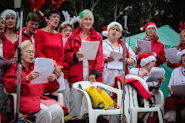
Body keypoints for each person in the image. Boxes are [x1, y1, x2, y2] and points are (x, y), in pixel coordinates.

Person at [3, 40, 66, 123]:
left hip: (38, 100)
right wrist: (26, 79)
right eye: (28, 52)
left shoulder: (37, 67)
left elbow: (49, 89)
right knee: (44, 111)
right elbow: (10, 87)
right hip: (23, 101)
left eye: (33, 52)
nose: (32, 54)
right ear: (20, 55)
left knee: (58, 110)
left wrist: (52, 81)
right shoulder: (14, 68)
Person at [64, 9, 104, 120]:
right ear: (81, 21)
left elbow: (100, 58)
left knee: (92, 109)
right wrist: (74, 56)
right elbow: (66, 55)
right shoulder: (72, 36)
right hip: (76, 76)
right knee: (75, 109)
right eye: (86, 19)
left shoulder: (98, 36)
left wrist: (95, 74)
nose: (88, 21)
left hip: (92, 76)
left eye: (90, 19)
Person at [130, 52, 165, 123]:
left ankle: (143, 120)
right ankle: (143, 119)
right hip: (134, 96)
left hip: (149, 97)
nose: (154, 64)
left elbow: (155, 92)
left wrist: (160, 83)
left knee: (150, 97)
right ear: (146, 63)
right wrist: (140, 75)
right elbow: (130, 85)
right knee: (148, 98)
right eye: (153, 61)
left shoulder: (154, 73)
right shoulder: (134, 71)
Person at [102, 21, 136, 93]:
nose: (115, 31)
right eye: (112, 29)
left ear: (119, 34)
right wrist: (104, 59)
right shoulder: (102, 44)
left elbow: (134, 60)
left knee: (121, 100)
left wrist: (126, 60)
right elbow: (95, 60)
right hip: (106, 77)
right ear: (108, 32)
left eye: (117, 30)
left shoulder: (124, 45)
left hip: (122, 77)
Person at [35, 9, 64, 80]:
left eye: (58, 17)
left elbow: (62, 54)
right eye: (54, 16)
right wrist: (52, 66)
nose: (56, 19)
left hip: (57, 71)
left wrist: (59, 67)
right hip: (43, 68)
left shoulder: (59, 35)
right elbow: (38, 52)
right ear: (46, 19)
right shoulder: (40, 32)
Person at [164, 49, 185, 123]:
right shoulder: (176, 71)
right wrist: (173, 92)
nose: (184, 57)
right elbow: (170, 86)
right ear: (181, 58)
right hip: (176, 96)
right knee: (170, 101)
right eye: (183, 55)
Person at [0, 16, 14, 116]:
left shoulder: (8, 43)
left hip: (3, 77)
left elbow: (12, 58)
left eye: (2, 23)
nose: (1, 25)